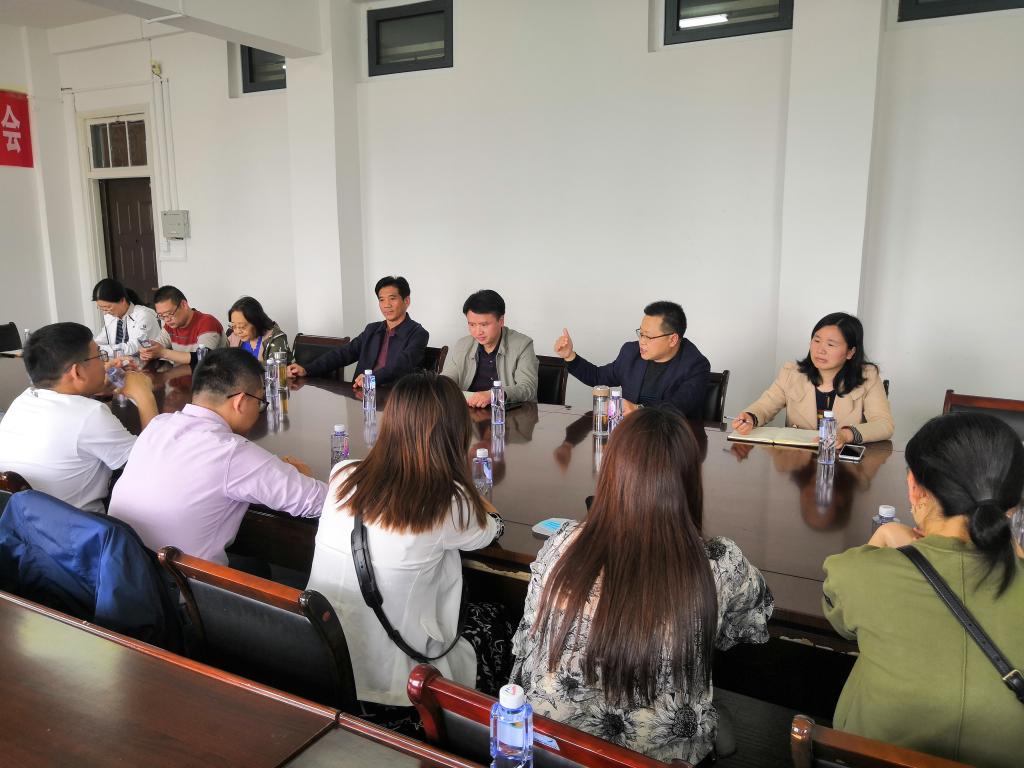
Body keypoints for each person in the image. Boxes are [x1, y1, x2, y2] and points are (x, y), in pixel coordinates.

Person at [511, 408, 773, 764]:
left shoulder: (562, 544)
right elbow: (753, 623)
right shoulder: (719, 562)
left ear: (611, 473)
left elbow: (528, 636)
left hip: (547, 753)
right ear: (689, 481)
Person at [823, 413, 1024, 767]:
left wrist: (883, 537)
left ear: (914, 487)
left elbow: (839, 620)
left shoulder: (859, 573)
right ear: (1013, 504)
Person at [305, 373, 506, 708]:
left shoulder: (343, 474)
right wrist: (480, 499)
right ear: (456, 432)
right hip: (397, 684)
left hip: (323, 664)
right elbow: (491, 531)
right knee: (497, 619)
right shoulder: (448, 499)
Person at [109, 348, 325, 565]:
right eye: (259, 402)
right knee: (261, 568)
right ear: (240, 402)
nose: (259, 409)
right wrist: (303, 476)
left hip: (122, 571)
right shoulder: (231, 452)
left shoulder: (158, 424)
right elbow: (319, 502)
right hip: (180, 583)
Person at [0, 322, 157, 513]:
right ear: (77, 372)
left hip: (25, 523)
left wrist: (98, 389)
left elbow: (77, 424)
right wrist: (144, 395)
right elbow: (154, 465)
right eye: (100, 356)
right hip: (82, 527)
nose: (105, 363)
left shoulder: (22, 401)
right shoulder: (91, 416)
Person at [732, 312, 893, 446]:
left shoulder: (868, 377)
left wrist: (845, 435)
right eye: (816, 340)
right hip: (798, 462)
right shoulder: (792, 373)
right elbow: (765, 406)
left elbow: (884, 425)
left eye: (830, 345)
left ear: (850, 352)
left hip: (843, 465)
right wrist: (750, 417)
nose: (820, 350)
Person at [554, 301, 710, 419]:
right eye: (641, 334)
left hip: (674, 441)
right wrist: (569, 356)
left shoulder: (695, 365)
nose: (641, 341)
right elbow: (598, 376)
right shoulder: (631, 352)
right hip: (633, 438)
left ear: (673, 339)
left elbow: (677, 407)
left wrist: (638, 409)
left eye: (648, 336)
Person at [287, 276, 428, 389]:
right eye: (381, 300)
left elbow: (402, 365)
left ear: (406, 301)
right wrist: (307, 369)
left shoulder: (418, 334)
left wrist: (371, 379)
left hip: (395, 400)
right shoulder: (372, 330)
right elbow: (343, 354)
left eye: (392, 298)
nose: (386, 305)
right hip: (361, 395)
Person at [441, 289, 539, 406]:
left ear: (501, 321)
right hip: (468, 411)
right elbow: (446, 381)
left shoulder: (522, 345)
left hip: (507, 413)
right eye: (472, 325)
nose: (478, 332)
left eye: (484, 325)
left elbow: (528, 388)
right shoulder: (462, 345)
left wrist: (495, 395)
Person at [140, 285, 225, 366]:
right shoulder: (170, 325)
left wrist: (163, 353)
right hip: (182, 373)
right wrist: (148, 352)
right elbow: (158, 345)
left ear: (184, 305)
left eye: (169, 313)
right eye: (161, 316)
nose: (166, 320)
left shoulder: (207, 322)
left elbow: (202, 358)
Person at [91, 278, 161, 357]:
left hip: (149, 361)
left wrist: (98, 349)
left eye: (107, 307)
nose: (105, 312)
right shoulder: (110, 317)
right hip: (122, 362)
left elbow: (134, 348)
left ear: (122, 300)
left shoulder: (144, 315)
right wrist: (90, 347)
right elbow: (102, 339)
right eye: (101, 308)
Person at [226, 296, 288, 363]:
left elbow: (276, 365)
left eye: (242, 326)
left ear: (256, 322)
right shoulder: (233, 337)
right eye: (233, 326)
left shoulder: (276, 338)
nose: (237, 331)